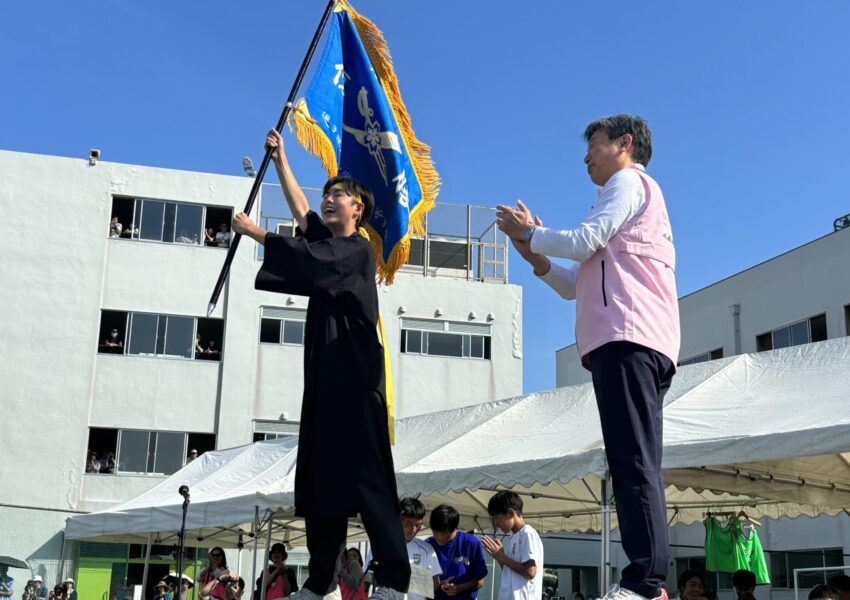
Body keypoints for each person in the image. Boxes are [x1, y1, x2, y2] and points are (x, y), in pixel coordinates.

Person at [496, 115, 679, 600]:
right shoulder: (627, 201)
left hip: (628, 338)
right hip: (635, 340)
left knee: (633, 461)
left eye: (593, 145)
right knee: (635, 461)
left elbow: (581, 241)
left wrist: (532, 234)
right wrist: (533, 252)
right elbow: (575, 284)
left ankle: (644, 581)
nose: (585, 157)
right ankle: (649, 581)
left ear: (624, 144)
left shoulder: (628, 182)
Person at [232, 128, 410, 600]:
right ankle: (319, 580)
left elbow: (306, 258)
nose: (330, 200)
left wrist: (256, 232)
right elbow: (301, 215)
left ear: (359, 210)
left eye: (340, 196)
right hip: (325, 386)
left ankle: (392, 577)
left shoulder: (357, 249)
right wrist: (280, 159)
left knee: (370, 481)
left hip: (357, 386)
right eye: (328, 193)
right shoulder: (327, 243)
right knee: (321, 482)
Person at [481, 491, 543, 600]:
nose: (495, 523)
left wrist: (502, 557)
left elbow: (530, 572)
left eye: (496, 517)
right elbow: (509, 571)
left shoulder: (527, 533)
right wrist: (500, 556)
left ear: (510, 513)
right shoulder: (512, 538)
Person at [425, 504, 487, 600]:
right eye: (435, 531)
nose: (439, 536)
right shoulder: (427, 545)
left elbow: (480, 582)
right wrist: (439, 585)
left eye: (445, 532)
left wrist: (459, 588)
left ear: (456, 528)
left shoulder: (470, 543)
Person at [398, 498, 442, 600]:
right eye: (409, 523)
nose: (414, 530)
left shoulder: (427, 549)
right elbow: (369, 579)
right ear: (399, 519)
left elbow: (435, 585)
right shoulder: (382, 545)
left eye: (418, 525)